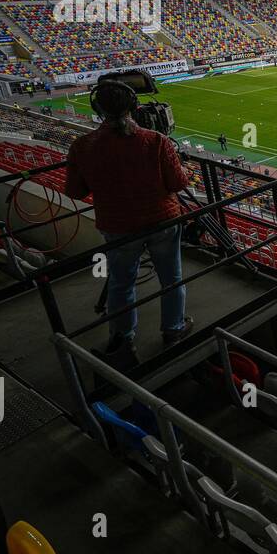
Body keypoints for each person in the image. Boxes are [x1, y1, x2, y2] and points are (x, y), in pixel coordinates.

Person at [65, 79, 193, 371]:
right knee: (171, 278)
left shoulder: (82, 146)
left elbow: (74, 191)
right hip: (162, 219)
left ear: (97, 109)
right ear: (135, 107)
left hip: (117, 225)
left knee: (121, 283)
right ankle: (173, 328)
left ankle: (122, 338)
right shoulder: (156, 140)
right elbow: (178, 182)